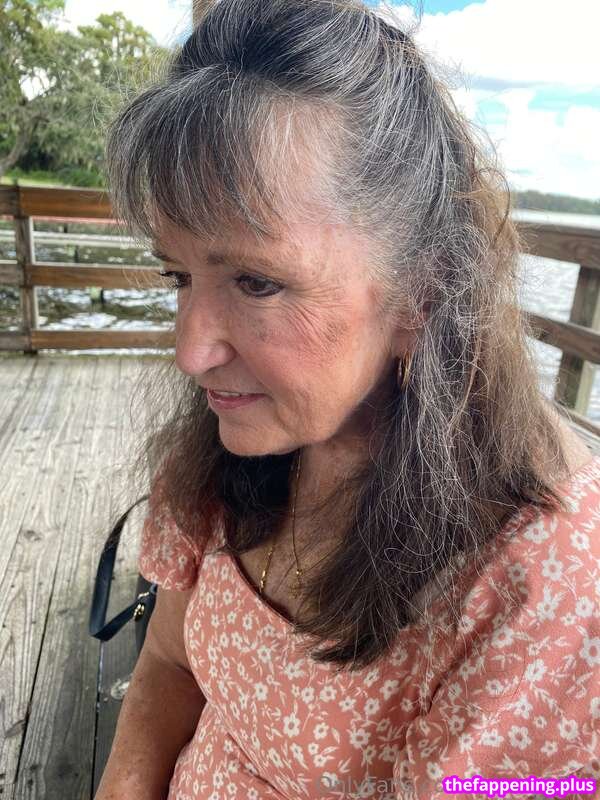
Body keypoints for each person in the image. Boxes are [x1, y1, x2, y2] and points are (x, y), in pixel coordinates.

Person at [95, 0, 600, 798]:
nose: (191, 351)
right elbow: (167, 660)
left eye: (257, 282)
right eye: (178, 275)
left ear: (422, 294)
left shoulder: (548, 581)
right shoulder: (238, 440)